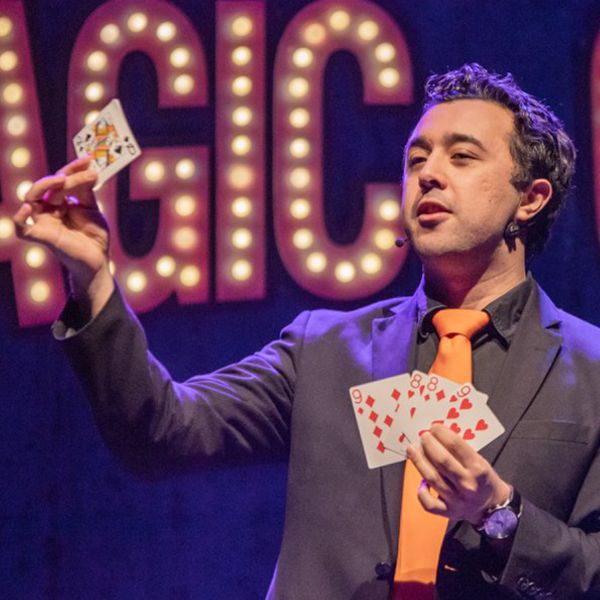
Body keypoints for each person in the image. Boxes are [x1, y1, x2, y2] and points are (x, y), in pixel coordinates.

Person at [13, 63, 600, 599]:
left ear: (530, 198)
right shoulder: (323, 350)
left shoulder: (591, 369)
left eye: (462, 157)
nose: (429, 175)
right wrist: (92, 279)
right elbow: (159, 430)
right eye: (416, 159)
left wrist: (500, 514)